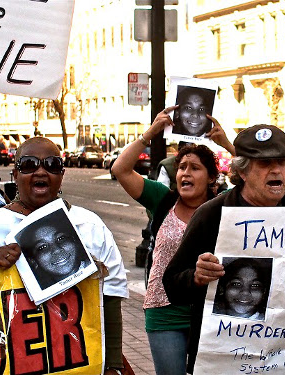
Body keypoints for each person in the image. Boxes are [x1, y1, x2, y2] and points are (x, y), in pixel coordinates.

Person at [162, 124, 285, 373]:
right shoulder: (211, 215)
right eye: (265, 163)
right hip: (225, 361)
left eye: (282, 162)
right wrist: (197, 277)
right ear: (243, 171)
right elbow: (171, 285)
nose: (276, 169)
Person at [0, 137, 129, 375]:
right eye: (29, 164)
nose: (41, 171)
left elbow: (111, 299)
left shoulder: (90, 226)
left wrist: (112, 365)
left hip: (78, 362)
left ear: (62, 174)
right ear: (15, 175)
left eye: (51, 164)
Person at [112, 107, 234, 375]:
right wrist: (150, 134)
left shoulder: (224, 205)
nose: (185, 173)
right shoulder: (162, 199)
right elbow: (120, 169)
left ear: (212, 177)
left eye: (195, 168)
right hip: (163, 310)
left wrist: (226, 143)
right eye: (181, 167)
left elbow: (253, 177)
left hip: (210, 311)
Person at [16, 209, 92, 290]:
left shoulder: (97, 272)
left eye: (61, 238)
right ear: (33, 261)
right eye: (42, 247)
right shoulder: (37, 291)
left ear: (74, 240)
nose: (57, 250)